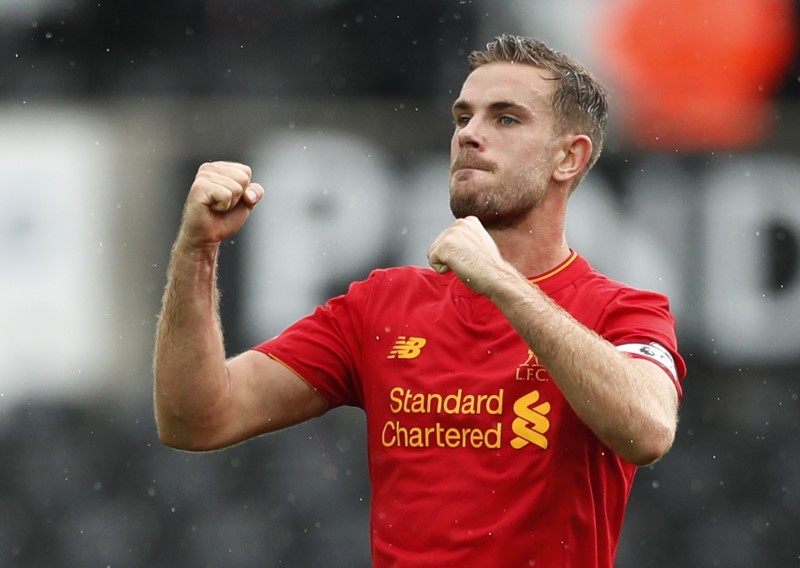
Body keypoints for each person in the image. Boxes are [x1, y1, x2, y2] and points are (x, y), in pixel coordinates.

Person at [154, 34, 686, 567]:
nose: (470, 135)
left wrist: (502, 284)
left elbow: (647, 430)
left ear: (568, 157)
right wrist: (197, 251)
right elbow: (197, 418)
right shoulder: (381, 306)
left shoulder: (624, 311)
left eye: (505, 119)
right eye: (462, 117)